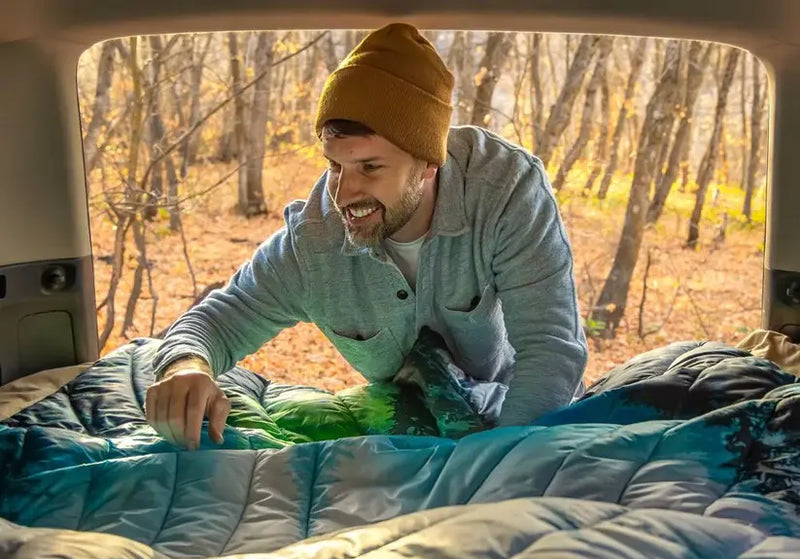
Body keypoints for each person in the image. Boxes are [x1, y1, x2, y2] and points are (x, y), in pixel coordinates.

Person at [146, 23, 588, 449]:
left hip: (522, 412)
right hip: (408, 428)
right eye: (335, 166)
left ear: (429, 163)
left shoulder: (506, 190)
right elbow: (217, 320)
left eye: (370, 168)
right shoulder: (313, 240)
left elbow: (552, 348)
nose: (343, 192)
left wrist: (494, 464)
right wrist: (186, 367)